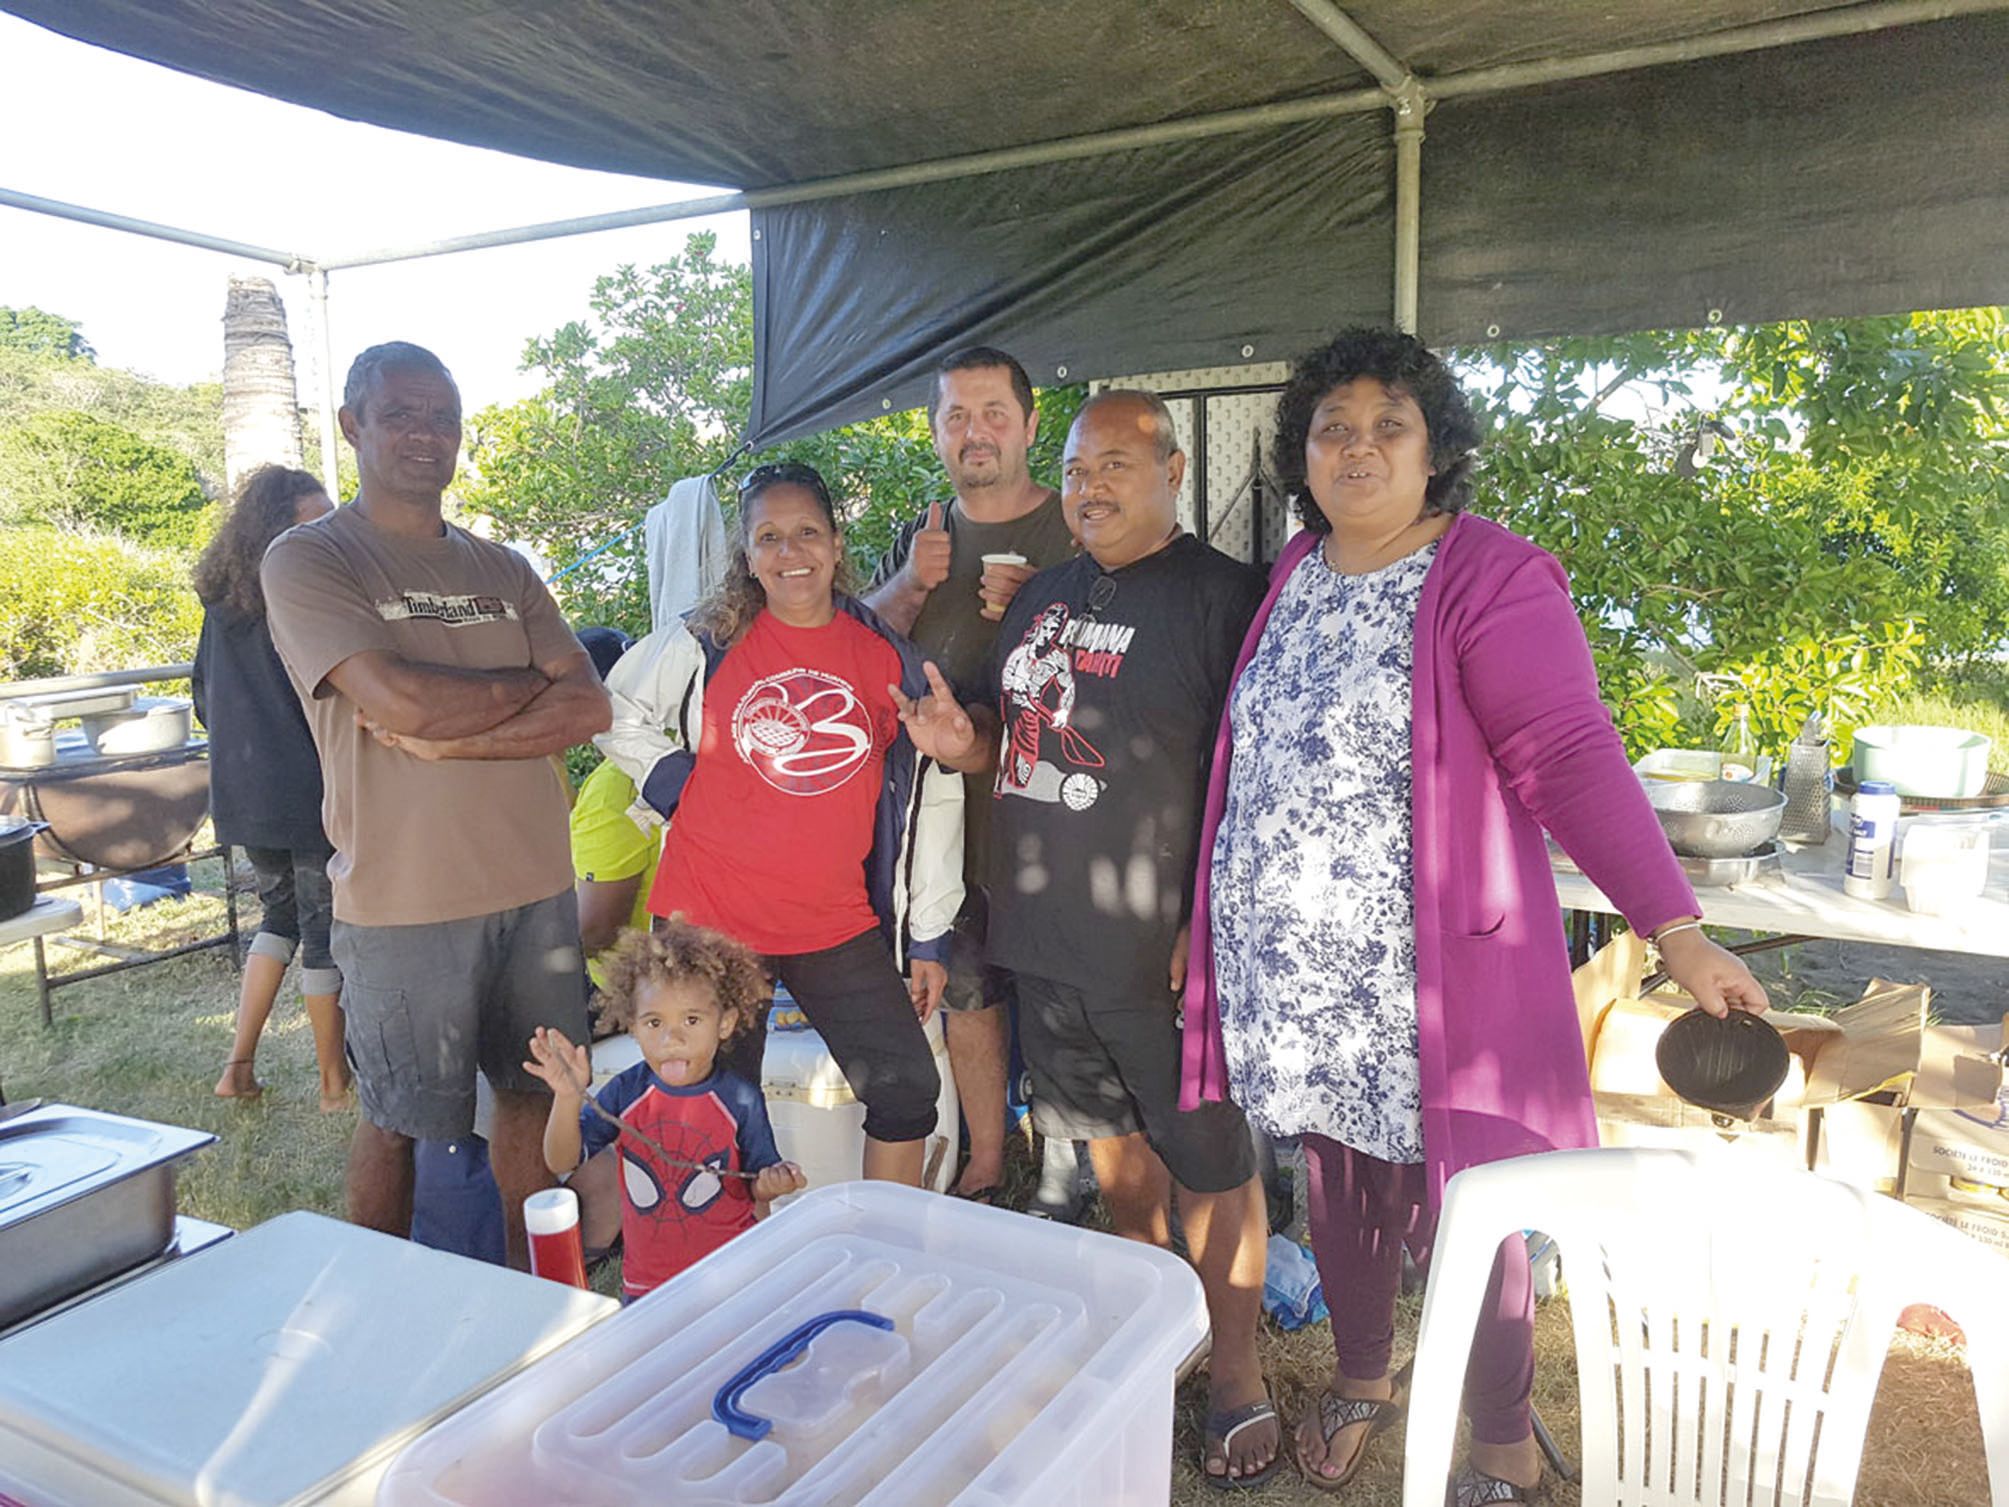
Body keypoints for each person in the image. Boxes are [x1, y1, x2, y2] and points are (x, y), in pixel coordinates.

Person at [1178, 328, 1771, 1502]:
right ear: (1300, 453)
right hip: (1304, 981)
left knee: (1474, 1206)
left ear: (1433, 450)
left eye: (1386, 426)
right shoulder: (1294, 572)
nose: (1356, 448)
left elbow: (1567, 753)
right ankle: (1363, 1372)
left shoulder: (1488, 574)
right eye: (1331, 428)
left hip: (1433, 982)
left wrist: (1674, 926)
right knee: (1340, 1184)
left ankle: (1500, 1430)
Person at [895, 390, 1280, 1486]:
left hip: (1158, 949)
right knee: (1111, 1152)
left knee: (1210, 1158)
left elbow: (1256, 777)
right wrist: (960, 738)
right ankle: (1157, 1335)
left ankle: (1237, 1372)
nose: (1089, 486)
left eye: (1114, 464)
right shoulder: (1041, 597)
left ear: (1172, 471)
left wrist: (1207, 919)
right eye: (1073, 469)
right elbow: (1007, 739)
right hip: (1043, 935)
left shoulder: (1224, 597)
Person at [262, 341, 612, 1270]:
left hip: (536, 888)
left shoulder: (505, 566)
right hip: (404, 898)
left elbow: (589, 705)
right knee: (399, 1121)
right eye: (401, 415)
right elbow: (399, 701)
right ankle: (383, 1300)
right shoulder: (310, 558)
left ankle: (535, 1290)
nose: (426, 435)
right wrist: (523, 687)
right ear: (353, 426)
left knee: (533, 1097)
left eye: (443, 418)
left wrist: (457, 738)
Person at [595, 460, 963, 1188]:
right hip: (709, 918)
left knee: (905, 1089)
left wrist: (928, 932)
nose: (790, 552)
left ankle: (880, 1239)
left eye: (806, 533)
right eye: (769, 537)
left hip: (832, 919)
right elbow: (609, 705)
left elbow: (935, 793)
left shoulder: (883, 653)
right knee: (707, 1104)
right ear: (747, 553)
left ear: (835, 542)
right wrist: (670, 779)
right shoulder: (708, 638)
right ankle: (717, 1244)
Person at [864, 346, 1076, 1203]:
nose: (975, 432)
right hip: (943, 818)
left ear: (1030, 425)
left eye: (994, 413)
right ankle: (988, 1156)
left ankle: (1069, 1157)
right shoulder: (923, 532)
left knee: (1063, 990)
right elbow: (858, 643)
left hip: (1057, 813)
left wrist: (1043, 599)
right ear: (934, 431)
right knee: (968, 989)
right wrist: (912, 582)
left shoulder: (1073, 522)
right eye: (957, 415)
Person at [524, 921, 805, 1299]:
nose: (672, 1038)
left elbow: (758, 1181)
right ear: (633, 1028)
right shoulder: (626, 1092)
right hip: (648, 1285)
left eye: (692, 1020)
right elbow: (561, 1160)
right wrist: (567, 1097)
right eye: (654, 1023)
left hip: (730, 1278)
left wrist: (774, 1182)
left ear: (725, 1023)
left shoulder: (740, 1098)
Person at [191, 464, 350, 1110]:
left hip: (245, 794)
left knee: (278, 918)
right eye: (316, 522)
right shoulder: (301, 599)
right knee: (322, 930)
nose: (331, 533)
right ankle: (334, 1085)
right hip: (305, 792)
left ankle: (238, 1067)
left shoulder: (222, 603)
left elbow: (203, 698)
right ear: (277, 531)